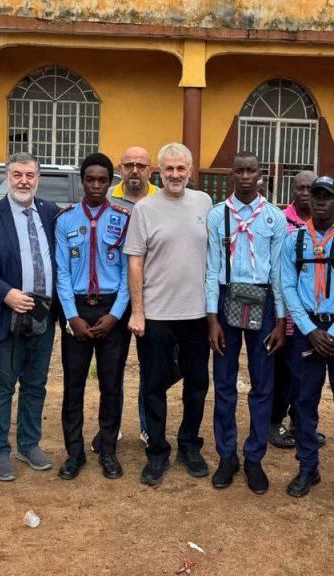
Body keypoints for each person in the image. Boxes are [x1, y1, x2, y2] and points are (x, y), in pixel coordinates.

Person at [125, 142, 213, 486]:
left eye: (182, 169)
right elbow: (135, 261)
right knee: (154, 386)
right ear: (159, 172)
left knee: (197, 384)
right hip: (157, 314)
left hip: (195, 315)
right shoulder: (144, 209)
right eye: (169, 169)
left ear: (190, 171)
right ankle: (157, 452)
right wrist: (138, 311)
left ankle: (190, 445)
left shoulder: (204, 203)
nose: (175, 175)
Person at [0, 152, 60, 482]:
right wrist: (6, 293)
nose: (24, 181)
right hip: (5, 315)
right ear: (8, 178)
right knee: (1, 387)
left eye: (30, 175)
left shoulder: (49, 212)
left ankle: (28, 443)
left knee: (35, 384)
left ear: (38, 178)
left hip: (44, 315)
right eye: (18, 174)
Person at [205, 151, 287, 494]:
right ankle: (227, 455)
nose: (246, 176)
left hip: (263, 302)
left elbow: (280, 272)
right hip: (227, 299)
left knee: (262, 382)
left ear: (261, 174)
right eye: (239, 170)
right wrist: (212, 317)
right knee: (224, 383)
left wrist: (281, 319)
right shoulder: (217, 216)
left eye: (252, 170)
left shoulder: (274, 218)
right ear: (232, 175)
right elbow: (211, 269)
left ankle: (254, 456)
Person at [280, 176, 334, 502]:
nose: (319, 202)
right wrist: (309, 330)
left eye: (327, 197)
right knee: (303, 403)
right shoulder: (295, 241)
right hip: (307, 336)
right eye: (315, 195)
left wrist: (332, 333)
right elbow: (287, 286)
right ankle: (307, 467)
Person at [55, 153, 130, 480]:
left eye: (103, 180)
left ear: (111, 182)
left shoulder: (124, 217)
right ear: (83, 181)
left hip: (113, 310)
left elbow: (130, 271)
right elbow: (62, 272)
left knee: (111, 385)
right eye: (90, 179)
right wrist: (72, 316)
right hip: (79, 310)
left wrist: (115, 315)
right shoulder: (66, 219)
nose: (97, 185)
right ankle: (74, 452)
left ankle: (109, 451)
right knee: (74, 386)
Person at [94, 144, 158, 451]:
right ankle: (111, 427)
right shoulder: (106, 199)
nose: (135, 170)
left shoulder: (162, 199)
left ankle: (148, 427)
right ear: (120, 169)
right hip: (116, 298)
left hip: (154, 297)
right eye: (129, 164)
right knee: (112, 367)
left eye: (141, 165)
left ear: (150, 170)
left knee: (151, 367)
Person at [270, 170, 324, 449]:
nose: (305, 193)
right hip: (287, 315)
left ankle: (299, 422)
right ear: (293, 190)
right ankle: (274, 421)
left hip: (316, 318)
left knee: (308, 372)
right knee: (284, 372)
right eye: (300, 188)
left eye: (310, 189)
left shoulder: (328, 225)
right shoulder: (281, 220)